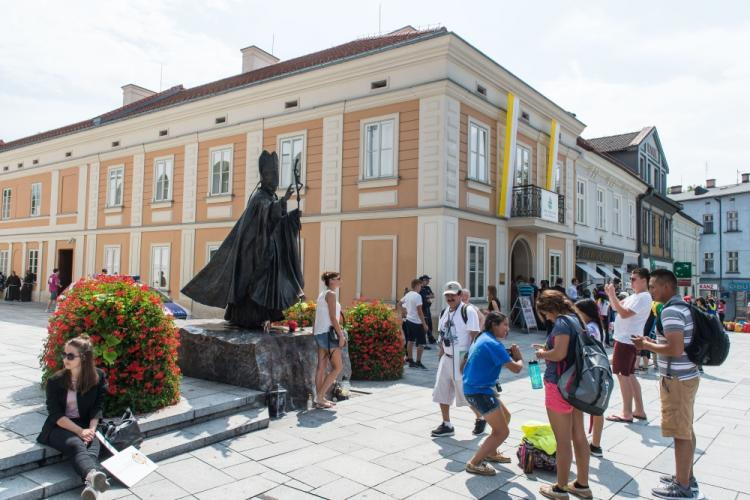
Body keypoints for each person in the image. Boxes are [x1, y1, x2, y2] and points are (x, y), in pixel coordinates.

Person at [182, 150, 304, 329]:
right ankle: (248, 318)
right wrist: (283, 202)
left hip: (268, 253)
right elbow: (265, 215)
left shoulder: (271, 197)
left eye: (276, 176)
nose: (274, 180)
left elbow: (276, 224)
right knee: (253, 285)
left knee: (267, 284)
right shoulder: (259, 197)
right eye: (271, 176)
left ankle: (264, 316)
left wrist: (292, 218)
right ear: (263, 177)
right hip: (253, 253)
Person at [632, 269, 700, 499]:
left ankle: (682, 486)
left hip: (677, 380)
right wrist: (654, 342)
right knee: (686, 428)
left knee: (680, 432)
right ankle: (685, 477)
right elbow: (675, 343)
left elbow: (675, 348)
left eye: (653, 286)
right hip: (686, 375)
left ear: (666, 287)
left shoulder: (670, 311)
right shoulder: (683, 307)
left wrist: (646, 345)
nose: (650, 291)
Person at [534, 290, 592, 499]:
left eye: (545, 313)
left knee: (562, 440)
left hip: (558, 385)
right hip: (576, 384)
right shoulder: (576, 319)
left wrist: (542, 353)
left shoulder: (560, 323)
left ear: (548, 308)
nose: (546, 317)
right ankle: (582, 485)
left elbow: (558, 354)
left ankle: (560, 488)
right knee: (579, 436)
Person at [37, 335, 109, 500]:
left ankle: (91, 485)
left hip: (86, 424)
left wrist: (90, 430)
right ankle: (93, 476)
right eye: (64, 354)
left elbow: (97, 408)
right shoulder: (55, 381)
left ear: (83, 358)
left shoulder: (98, 377)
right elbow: (55, 414)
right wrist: (80, 431)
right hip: (59, 426)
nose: (65, 358)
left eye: (70, 355)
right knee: (77, 444)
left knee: (91, 447)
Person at [462, 312, 523, 475]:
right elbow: (517, 369)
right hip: (479, 392)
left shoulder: (483, 338)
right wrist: (518, 357)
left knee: (506, 417)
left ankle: (491, 452)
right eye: (505, 325)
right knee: (502, 432)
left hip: (475, 388)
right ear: (494, 325)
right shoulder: (493, 344)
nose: (507, 329)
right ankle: (474, 463)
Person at [431, 281, 482, 437]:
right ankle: (447, 424)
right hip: (447, 357)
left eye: (453, 295)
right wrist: (441, 356)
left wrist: (470, 360)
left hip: (462, 357)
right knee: (441, 390)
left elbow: (475, 336)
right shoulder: (444, 312)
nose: (450, 297)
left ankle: (481, 418)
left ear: (460, 295)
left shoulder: (468, 311)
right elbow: (441, 335)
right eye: (447, 295)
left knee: (465, 393)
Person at [605, 268, 652, 424]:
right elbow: (615, 307)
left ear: (644, 280)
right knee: (630, 375)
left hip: (626, 340)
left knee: (622, 375)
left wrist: (612, 295)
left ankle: (626, 412)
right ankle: (639, 410)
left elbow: (624, 313)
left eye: (634, 279)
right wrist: (611, 295)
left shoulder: (644, 297)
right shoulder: (636, 296)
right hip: (626, 339)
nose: (630, 281)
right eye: (630, 278)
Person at [575, 298, 606, 458]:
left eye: (578, 312)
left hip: (590, 372)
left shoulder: (590, 329)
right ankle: (595, 444)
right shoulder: (597, 326)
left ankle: (585, 444)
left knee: (579, 407)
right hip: (598, 370)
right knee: (596, 409)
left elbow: (585, 349)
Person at [312, 271, 346, 409]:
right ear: (331, 281)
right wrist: (341, 335)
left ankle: (319, 399)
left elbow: (317, 316)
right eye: (338, 279)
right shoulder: (331, 295)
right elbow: (333, 318)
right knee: (338, 367)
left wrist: (315, 330)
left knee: (321, 367)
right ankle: (320, 396)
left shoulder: (322, 294)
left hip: (320, 333)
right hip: (328, 334)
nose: (340, 281)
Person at [401, 279, 429, 369]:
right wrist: (424, 324)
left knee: (410, 340)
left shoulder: (408, 294)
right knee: (421, 343)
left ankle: (410, 360)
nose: (421, 288)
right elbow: (420, 311)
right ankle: (418, 361)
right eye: (420, 286)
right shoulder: (417, 296)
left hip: (408, 320)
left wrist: (404, 311)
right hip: (417, 322)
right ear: (417, 285)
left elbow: (399, 303)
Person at [418, 275, 437, 347]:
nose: (428, 281)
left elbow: (433, 295)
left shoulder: (428, 288)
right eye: (427, 280)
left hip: (427, 308)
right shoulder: (419, 288)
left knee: (430, 324)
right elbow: (421, 297)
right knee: (424, 325)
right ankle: (422, 341)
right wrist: (427, 297)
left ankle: (430, 339)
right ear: (423, 280)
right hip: (422, 309)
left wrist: (427, 297)